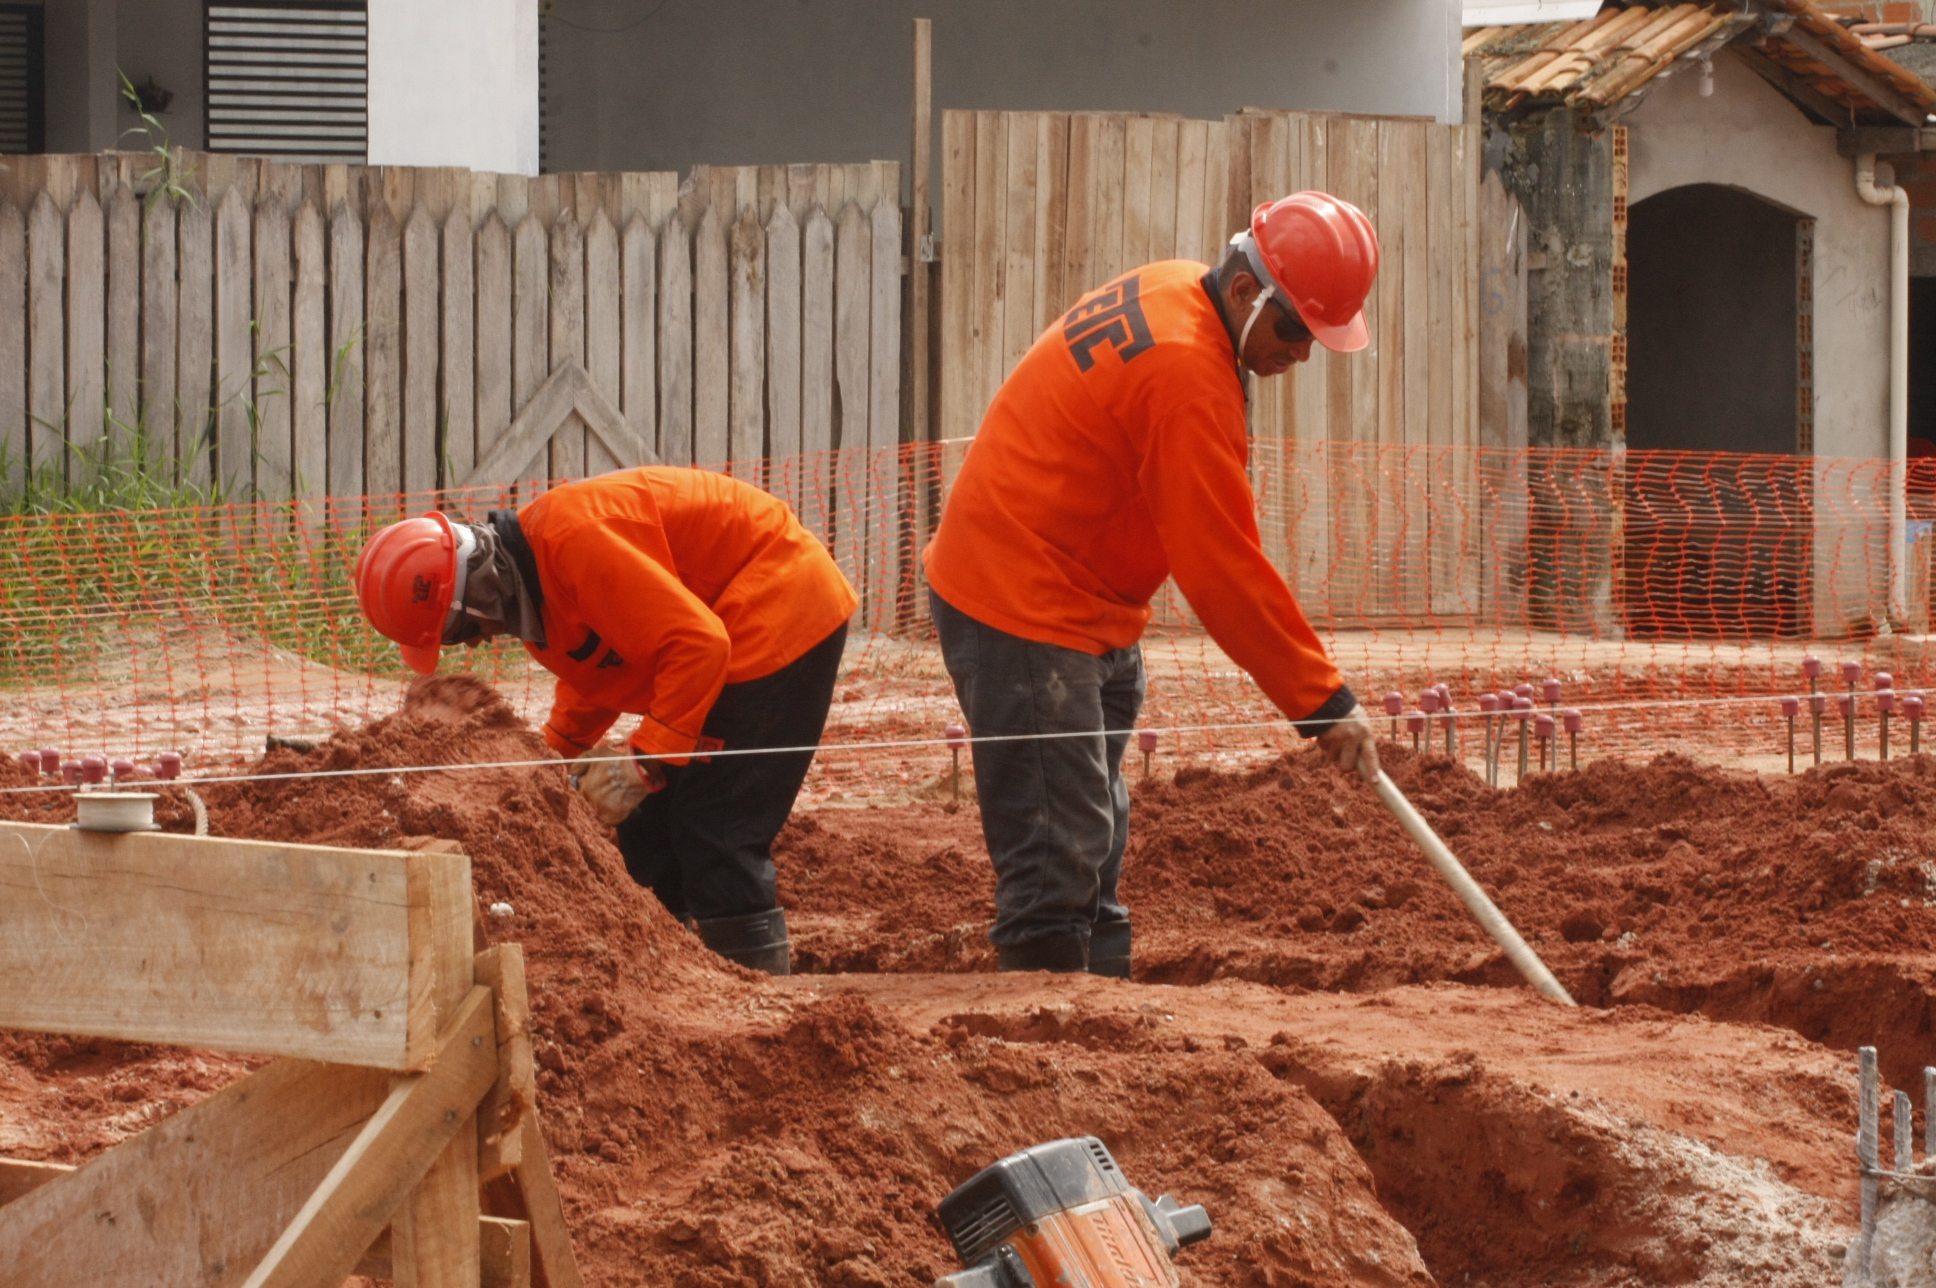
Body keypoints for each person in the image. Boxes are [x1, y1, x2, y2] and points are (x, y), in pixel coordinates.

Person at [923, 191, 1385, 977]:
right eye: (1296, 331)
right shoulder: (1189, 376)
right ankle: (1044, 1051)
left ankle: (1109, 1027)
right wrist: (1321, 702)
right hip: (1021, 594)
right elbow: (1220, 566)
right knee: (1055, 853)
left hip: (1085, 596)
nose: (1300, 356)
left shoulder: (1179, 287)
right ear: (1246, 292)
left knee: (1093, 838)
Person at [354, 465, 857, 975]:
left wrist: (642, 761)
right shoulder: (535, 585)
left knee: (715, 827)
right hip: (723, 630)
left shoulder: (572, 543)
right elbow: (599, 662)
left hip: (779, 608)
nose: (477, 643)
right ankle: (678, 980)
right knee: (646, 830)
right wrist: (549, 760)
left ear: (474, 596)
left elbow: (699, 646)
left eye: (459, 634)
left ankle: (759, 1006)